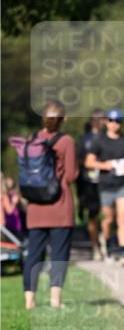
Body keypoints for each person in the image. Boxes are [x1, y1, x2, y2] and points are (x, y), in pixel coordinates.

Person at [22, 101, 78, 310]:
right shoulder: (66, 141)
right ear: (63, 119)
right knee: (59, 254)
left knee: (34, 254)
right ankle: (55, 300)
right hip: (60, 206)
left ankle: (29, 301)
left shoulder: (31, 140)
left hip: (35, 208)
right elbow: (71, 175)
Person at [85, 109, 124, 265]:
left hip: (122, 183)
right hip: (105, 185)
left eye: (117, 121)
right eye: (111, 121)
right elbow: (88, 162)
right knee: (108, 219)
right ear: (106, 122)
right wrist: (105, 165)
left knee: (123, 216)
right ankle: (108, 243)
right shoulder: (99, 140)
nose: (114, 124)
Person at [76, 108, 105, 261]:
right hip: (89, 182)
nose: (104, 122)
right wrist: (92, 163)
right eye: (101, 119)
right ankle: (95, 247)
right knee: (93, 215)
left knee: (107, 214)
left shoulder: (108, 137)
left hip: (107, 182)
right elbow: (79, 160)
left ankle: (105, 241)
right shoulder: (85, 139)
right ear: (94, 121)